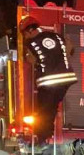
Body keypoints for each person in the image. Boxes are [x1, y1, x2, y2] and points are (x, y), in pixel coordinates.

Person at [19, 15, 77, 147]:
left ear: (29, 30)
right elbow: (71, 49)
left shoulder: (31, 43)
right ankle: (45, 135)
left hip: (49, 81)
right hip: (67, 79)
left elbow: (31, 60)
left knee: (43, 111)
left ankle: (42, 139)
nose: (24, 36)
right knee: (51, 108)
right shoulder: (58, 37)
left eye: (24, 33)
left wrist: (31, 57)